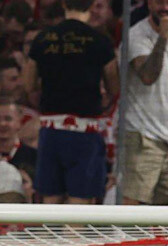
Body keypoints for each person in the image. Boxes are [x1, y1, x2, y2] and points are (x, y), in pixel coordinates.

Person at [25, 0, 118, 204]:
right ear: (92, 4)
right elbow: (114, 87)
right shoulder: (100, 41)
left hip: (51, 130)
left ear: (64, 3)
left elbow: (29, 84)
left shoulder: (43, 39)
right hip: (85, 133)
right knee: (80, 203)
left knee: (50, 201)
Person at [122, 0, 168, 205]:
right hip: (143, 137)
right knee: (133, 209)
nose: (165, 7)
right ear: (148, 3)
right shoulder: (135, 36)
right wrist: (162, 39)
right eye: (159, 1)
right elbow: (148, 76)